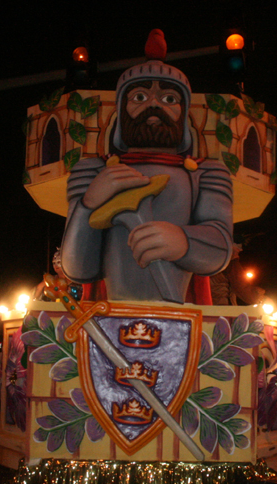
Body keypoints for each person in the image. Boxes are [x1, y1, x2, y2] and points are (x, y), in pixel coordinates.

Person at [60, 29, 232, 303]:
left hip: (185, 315)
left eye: (169, 99)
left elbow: (221, 248)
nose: (154, 105)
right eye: (139, 97)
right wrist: (89, 204)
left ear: (184, 113)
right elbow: (78, 267)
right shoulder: (91, 170)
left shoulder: (206, 173)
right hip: (107, 314)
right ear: (121, 109)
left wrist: (183, 241)